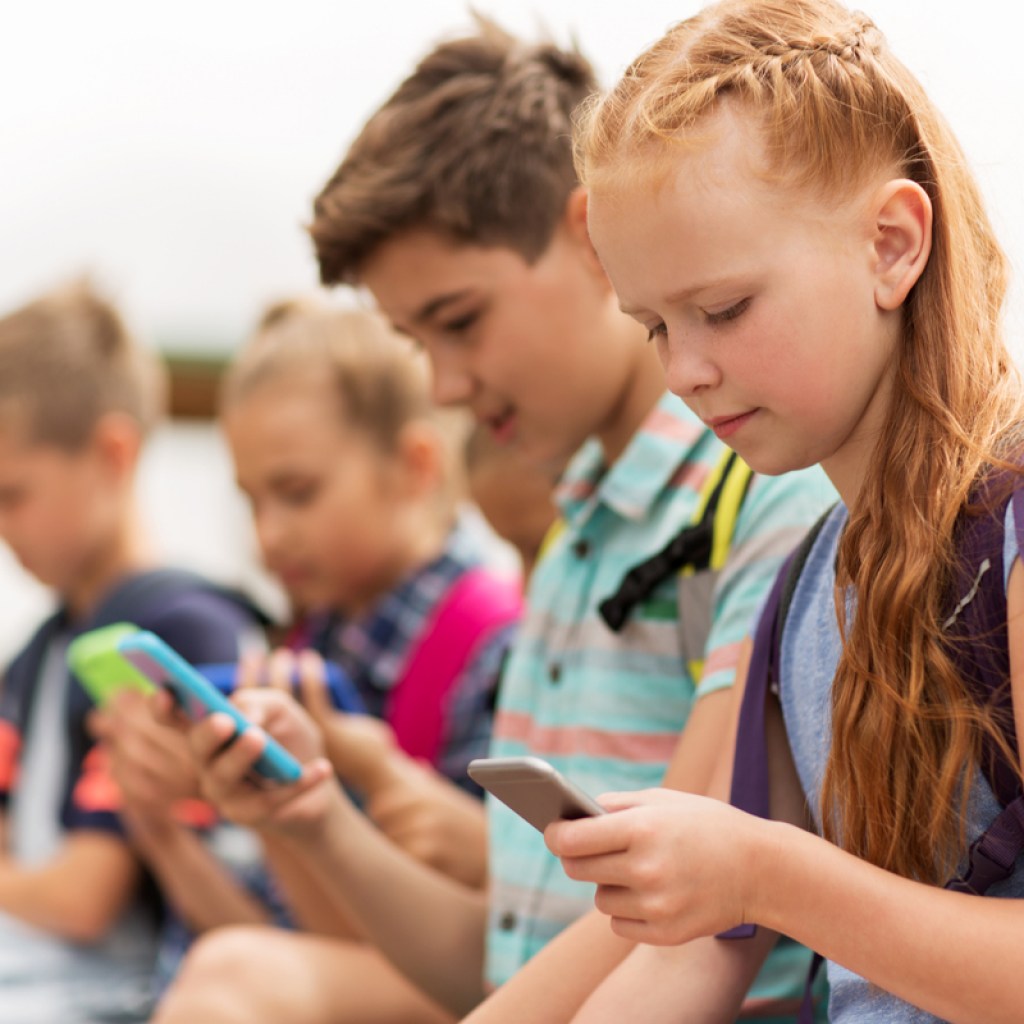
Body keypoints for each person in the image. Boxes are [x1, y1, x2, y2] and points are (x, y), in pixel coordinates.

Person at [154, 19, 835, 1024]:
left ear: (590, 233)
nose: (441, 381)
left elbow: (691, 947)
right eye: (413, 338)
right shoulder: (570, 537)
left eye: (460, 320)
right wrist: (314, 821)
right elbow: (502, 966)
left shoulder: (757, 492)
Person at [535, 2, 1024, 1022]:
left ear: (892, 245)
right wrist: (741, 879)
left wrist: (765, 871)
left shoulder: (1009, 538)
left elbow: (758, 891)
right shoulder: (804, 590)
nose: (684, 370)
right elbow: (700, 954)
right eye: (653, 326)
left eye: (722, 310)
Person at [0, 281, 261, 1023]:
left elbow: (85, 898)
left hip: (118, 990)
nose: (3, 526)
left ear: (112, 452)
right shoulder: (34, 653)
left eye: (14, 494)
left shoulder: (181, 634)